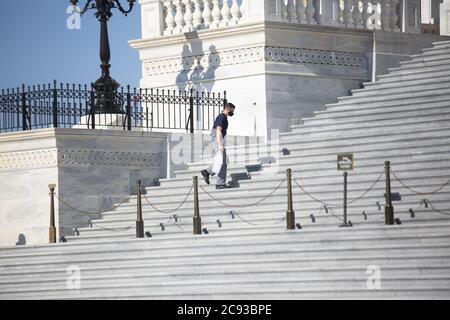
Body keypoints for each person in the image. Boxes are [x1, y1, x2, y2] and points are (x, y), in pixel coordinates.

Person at [201, 102, 235, 189]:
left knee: (223, 160)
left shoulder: (223, 117)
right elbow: (218, 130)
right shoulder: (222, 117)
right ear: (227, 109)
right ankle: (220, 183)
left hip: (217, 139)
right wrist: (220, 144)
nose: (232, 113)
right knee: (222, 161)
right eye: (232, 111)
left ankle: (207, 172)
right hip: (217, 139)